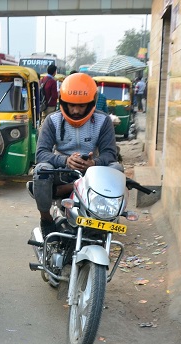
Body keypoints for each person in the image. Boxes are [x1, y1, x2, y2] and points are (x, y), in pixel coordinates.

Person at [32, 72, 123, 238]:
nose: (75, 111)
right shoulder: (52, 120)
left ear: (92, 103)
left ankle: (108, 218)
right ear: (63, 102)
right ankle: (46, 219)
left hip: (92, 174)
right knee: (40, 170)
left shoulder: (103, 121)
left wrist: (94, 163)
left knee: (117, 168)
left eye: (82, 106)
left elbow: (110, 153)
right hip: (61, 171)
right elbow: (41, 153)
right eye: (71, 105)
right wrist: (65, 160)